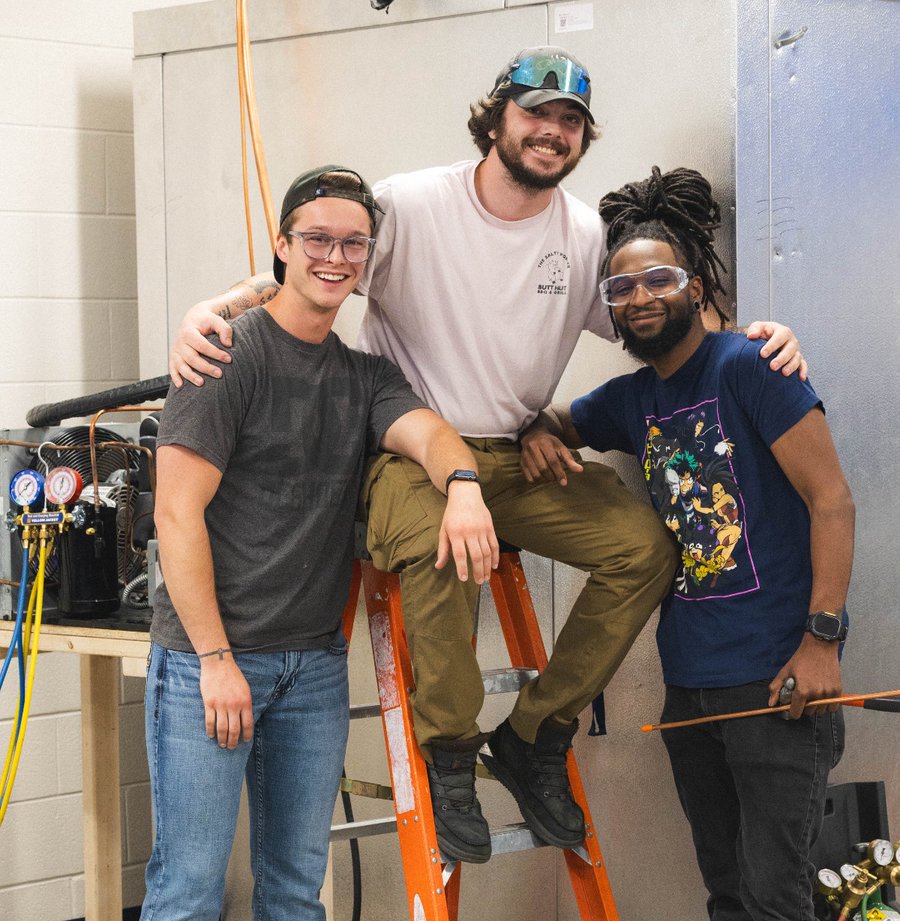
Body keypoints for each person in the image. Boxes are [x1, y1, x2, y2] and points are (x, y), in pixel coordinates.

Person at [167, 48, 806, 868]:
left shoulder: (582, 234)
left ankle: (536, 731)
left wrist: (758, 337)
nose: (552, 132)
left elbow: (658, 326)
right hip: (409, 451)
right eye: (538, 113)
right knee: (444, 544)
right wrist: (213, 308)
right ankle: (450, 756)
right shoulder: (410, 204)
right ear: (498, 116)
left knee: (644, 550)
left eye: (570, 121)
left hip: (516, 454)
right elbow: (322, 263)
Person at [126, 166, 498, 921]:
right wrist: (212, 659)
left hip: (309, 668)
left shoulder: (363, 374)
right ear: (283, 244)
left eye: (353, 243)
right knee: (191, 885)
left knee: (295, 888)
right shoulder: (224, 356)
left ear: (367, 259)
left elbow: (427, 434)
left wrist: (463, 484)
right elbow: (175, 517)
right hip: (209, 661)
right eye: (317, 237)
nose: (335, 256)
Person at [524, 166, 854, 921]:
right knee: (727, 893)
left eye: (655, 279)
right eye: (618, 290)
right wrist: (538, 431)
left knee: (777, 893)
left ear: (694, 279)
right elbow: (556, 426)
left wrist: (822, 640)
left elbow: (833, 501)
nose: (637, 299)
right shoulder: (630, 397)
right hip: (692, 689)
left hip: (779, 681)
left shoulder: (751, 367)